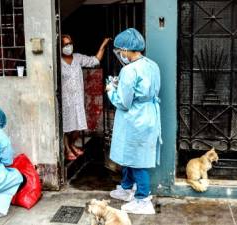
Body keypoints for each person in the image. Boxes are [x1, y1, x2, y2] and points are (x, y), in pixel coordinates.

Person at [106, 28, 162, 215]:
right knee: (130, 155)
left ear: (127, 49)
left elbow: (123, 102)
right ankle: (126, 187)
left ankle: (143, 200)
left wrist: (110, 90)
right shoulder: (152, 65)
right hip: (148, 115)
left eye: (120, 50)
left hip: (135, 118)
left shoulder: (129, 70)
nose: (120, 54)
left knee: (138, 160)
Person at [61, 34, 110, 160]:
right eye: (65, 44)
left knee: (77, 126)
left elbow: (96, 60)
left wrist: (103, 45)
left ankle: (71, 145)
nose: (68, 46)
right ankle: (67, 149)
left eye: (70, 43)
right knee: (66, 127)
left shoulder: (77, 58)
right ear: (60, 47)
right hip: (65, 101)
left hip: (77, 99)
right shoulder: (58, 62)